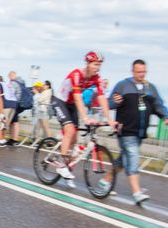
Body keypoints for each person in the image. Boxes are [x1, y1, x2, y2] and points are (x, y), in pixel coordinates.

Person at [104, 59, 168, 205]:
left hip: (139, 131)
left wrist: (165, 116)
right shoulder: (122, 85)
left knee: (123, 159)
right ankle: (136, 192)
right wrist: (115, 101)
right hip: (125, 129)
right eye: (139, 72)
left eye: (144, 72)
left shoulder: (150, 88)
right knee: (132, 158)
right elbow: (108, 104)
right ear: (132, 71)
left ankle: (105, 181)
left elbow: (158, 104)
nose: (142, 74)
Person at [49, 51, 117, 180]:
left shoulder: (96, 78)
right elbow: (78, 98)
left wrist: (110, 120)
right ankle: (61, 166)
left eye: (99, 65)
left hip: (72, 104)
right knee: (69, 130)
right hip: (60, 101)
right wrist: (85, 118)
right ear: (88, 63)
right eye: (95, 64)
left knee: (75, 137)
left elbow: (102, 98)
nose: (97, 68)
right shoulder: (77, 74)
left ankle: (62, 154)